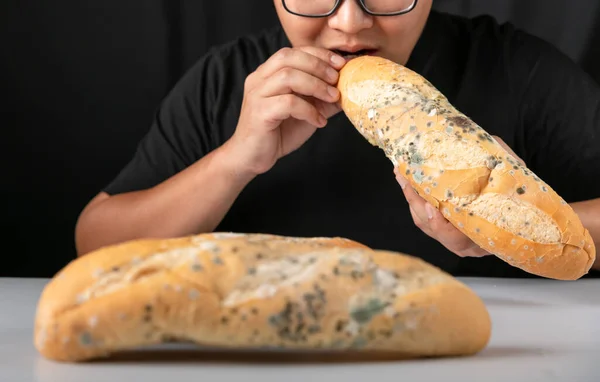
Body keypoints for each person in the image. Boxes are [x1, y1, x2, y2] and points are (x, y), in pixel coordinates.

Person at [74, 0, 600, 278]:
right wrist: (234, 161)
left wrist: (506, 228)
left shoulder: (516, 68)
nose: (350, 23)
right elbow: (93, 245)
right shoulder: (227, 79)